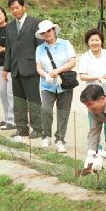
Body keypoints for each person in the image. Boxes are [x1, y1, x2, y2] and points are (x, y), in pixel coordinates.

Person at [34, 20, 76, 153]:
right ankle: (46, 135)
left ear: (53, 30)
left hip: (64, 83)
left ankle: (60, 139)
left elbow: (73, 62)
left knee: (63, 113)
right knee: (45, 110)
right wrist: (45, 75)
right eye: (43, 32)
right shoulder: (40, 49)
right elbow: (38, 68)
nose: (47, 34)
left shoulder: (65, 43)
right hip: (47, 84)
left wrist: (57, 71)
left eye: (49, 31)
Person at [4, 0, 43, 141]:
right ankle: (21, 128)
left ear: (23, 7)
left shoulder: (35, 23)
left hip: (31, 67)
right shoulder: (10, 26)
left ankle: (38, 128)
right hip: (15, 69)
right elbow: (8, 48)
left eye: (16, 8)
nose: (14, 11)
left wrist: (40, 66)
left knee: (33, 99)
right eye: (12, 9)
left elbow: (40, 47)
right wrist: (6, 68)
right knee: (18, 100)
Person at [77, 28, 106, 146]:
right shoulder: (85, 57)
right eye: (92, 40)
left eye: (97, 40)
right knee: (94, 120)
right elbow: (82, 76)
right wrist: (96, 77)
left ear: (101, 41)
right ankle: (96, 146)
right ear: (87, 42)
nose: (95, 43)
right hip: (92, 94)